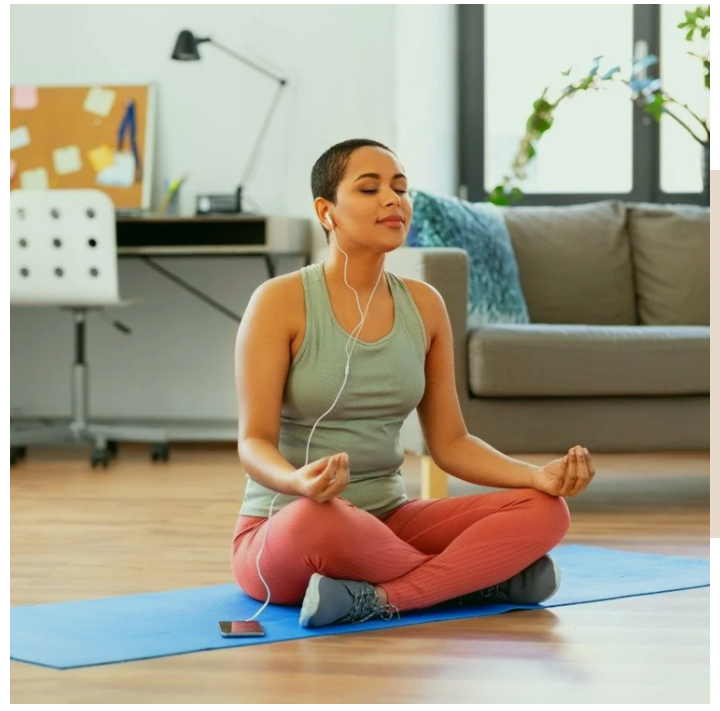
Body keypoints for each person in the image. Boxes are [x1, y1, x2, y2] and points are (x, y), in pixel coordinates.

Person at [231, 138, 595, 628]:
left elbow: (451, 442)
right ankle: (480, 582)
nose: (392, 200)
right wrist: (298, 481)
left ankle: (382, 599)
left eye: (400, 188)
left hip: (393, 522)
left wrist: (535, 476)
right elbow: (253, 441)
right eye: (369, 188)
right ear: (327, 211)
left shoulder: (424, 305)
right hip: (290, 526)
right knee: (322, 520)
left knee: (546, 511)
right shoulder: (279, 301)